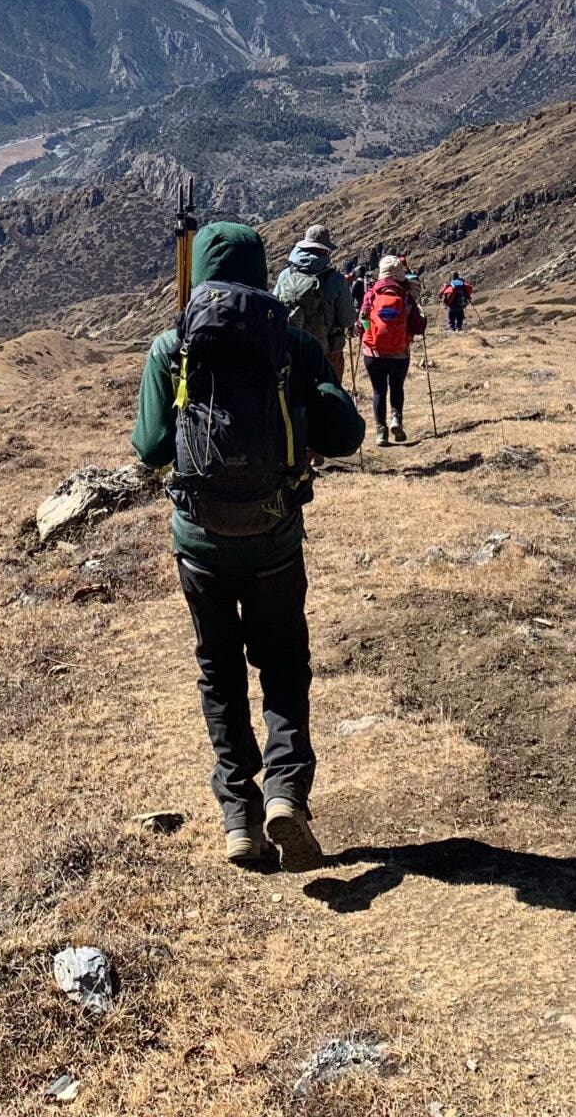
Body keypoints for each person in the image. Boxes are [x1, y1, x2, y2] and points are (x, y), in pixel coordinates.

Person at [134, 221, 365, 874]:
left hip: (200, 542)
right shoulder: (292, 344)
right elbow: (345, 436)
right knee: (285, 666)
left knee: (220, 672)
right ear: (264, 270)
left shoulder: (169, 347)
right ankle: (286, 793)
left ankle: (239, 816)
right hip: (274, 539)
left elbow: (150, 449)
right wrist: (318, 393)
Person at [355, 255, 425, 446]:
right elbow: (417, 327)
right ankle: (396, 419)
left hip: (373, 352)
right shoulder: (406, 296)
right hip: (399, 353)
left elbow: (362, 321)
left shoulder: (371, 294)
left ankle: (380, 432)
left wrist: (367, 333)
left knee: (378, 390)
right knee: (396, 387)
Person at [274, 224, 358, 382]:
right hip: (328, 351)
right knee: (328, 396)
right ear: (325, 250)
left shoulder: (286, 275)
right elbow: (347, 319)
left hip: (291, 349)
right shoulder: (336, 279)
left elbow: (275, 307)